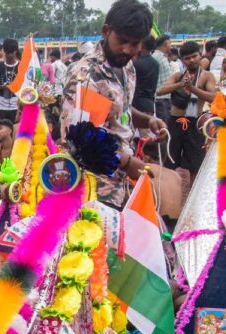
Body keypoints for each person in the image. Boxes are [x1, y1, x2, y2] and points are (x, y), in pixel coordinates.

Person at [61, 0, 167, 209]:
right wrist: (127, 162)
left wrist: (148, 119)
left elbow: (120, 110)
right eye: (122, 40)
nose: (127, 50)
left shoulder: (127, 68)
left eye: (135, 44)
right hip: (91, 187)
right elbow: (81, 140)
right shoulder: (88, 75)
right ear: (106, 31)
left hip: (119, 182)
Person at [156, 41, 216, 178]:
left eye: (194, 56)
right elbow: (160, 91)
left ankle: (193, 196)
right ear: (182, 60)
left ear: (200, 55)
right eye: (187, 58)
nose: (191, 60)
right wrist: (180, 84)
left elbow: (213, 97)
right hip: (175, 122)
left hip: (195, 123)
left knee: (195, 164)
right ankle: (172, 192)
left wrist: (193, 89)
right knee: (170, 161)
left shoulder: (207, 76)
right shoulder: (178, 76)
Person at [133, 35, 159, 115]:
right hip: (150, 103)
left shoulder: (136, 64)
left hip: (137, 104)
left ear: (141, 45)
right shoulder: (155, 63)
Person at [153, 35, 173, 122]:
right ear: (165, 44)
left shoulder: (163, 57)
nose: (171, 45)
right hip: (160, 98)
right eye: (170, 43)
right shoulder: (156, 57)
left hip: (166, 97)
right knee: (163, 123)